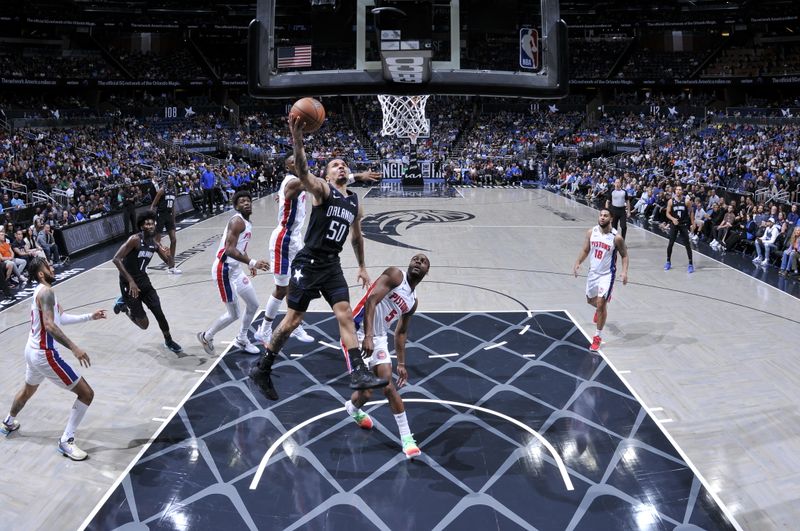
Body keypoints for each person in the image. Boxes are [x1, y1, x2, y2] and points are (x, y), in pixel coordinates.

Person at [250, 115, 386, 399]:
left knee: (345, 314)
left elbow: (357, 236)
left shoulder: (354, 201)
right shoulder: (322, 191)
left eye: (344, 164)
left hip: (332, 264)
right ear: (326, 175)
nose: (341, 166)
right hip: (308, 263)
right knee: (293, 320)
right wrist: (297, 137)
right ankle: (262, 368)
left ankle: (358, 371)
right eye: (335, 164)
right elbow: (301, 170)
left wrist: (362, 266)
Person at [254, 155, 381, 346]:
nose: (297, 163)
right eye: (293, 162)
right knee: (282, 288)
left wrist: (352, 176)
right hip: (284, 238)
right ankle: (264, 330)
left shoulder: (313, 184)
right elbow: (319, 181)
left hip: (296, 239)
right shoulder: (292, 181)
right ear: (289, 167)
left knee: (293, 287)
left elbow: (330, 183)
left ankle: (294, 324)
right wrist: (357, 176)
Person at [1, 257, 106, 461]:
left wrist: (89, 316)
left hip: (31, 351)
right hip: (44, 354)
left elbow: (60, 319)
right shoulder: (47, 292)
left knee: (27, 390)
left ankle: (8, 421)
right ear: (41, 273)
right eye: (48, 266)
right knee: (86, 393)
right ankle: (66, 441)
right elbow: (50, 325)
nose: (52, 268)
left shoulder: (42, 291)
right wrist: (74, 348)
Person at [344, 254, 430, 459]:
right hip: (356, 333)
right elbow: (371, 301)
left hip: (379, 337)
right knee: (365, 394)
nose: (418, 261)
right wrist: (368, 335)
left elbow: (400, 332)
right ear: (409, 264)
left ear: (427, 271)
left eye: (423, 261)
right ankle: (353, 409)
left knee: (387, 385)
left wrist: (401, 362)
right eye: (415, 259)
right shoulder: (395, 275)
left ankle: (407, 439)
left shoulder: (412, 301)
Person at [197, 190, 269, 356]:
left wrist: (247, 261)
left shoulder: (247, 223)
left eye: (248, 200)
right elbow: (229, 250)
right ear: (236, 206)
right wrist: (252, 262)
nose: (246, 203)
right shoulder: (237, 221)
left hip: (235, 269)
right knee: (234, 314)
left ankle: (242, 338)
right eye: (242, 201)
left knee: (253, 304)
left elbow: (239, 247)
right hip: (224, 271)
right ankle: (207, 336)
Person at [112, 211, 183, 353]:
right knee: (144, 325)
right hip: (129, 283)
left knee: (159, 312)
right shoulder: (135, 240)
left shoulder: (155, 244)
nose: (150, 226)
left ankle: (168, 340)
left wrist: (170, 256)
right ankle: (124, 307)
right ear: (141, 226)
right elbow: (116, 259)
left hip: (144, 282)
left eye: (152, 223)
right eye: (147, 223)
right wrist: (131, 281)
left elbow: (170, 265)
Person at [573, 208, 629, 352]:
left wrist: (624, 272)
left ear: (611, 219)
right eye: (601, 215)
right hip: (593, 273)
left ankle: (597, 337)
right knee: (591, 301)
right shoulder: (591, 232)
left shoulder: (617, 238)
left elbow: (624, 255)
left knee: (600, 305)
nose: (602, 217)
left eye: (606, 216)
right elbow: (586, 250)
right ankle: (600, 308)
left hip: (607, 275)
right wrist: (578, 262)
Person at [151, 175, 181, 274]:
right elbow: (153, 205)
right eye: (168, 178)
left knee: (174, 239)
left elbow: (172, 206)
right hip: (160, 216)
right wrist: (150, 218)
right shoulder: (162, 190)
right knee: (157, 242)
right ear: (166, 180)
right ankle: (168, 262)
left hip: (169, 216)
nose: (170, 180)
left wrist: (173, 219)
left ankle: (171, 264)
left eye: (171, 178)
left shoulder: (174, 191)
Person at [664, 185, 694, 273]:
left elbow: (691, 211)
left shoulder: (687, 201)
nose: (678, 191)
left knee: (687, 244)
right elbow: (667, 213)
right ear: (674, 191)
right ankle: (668, 262)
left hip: (683, 224)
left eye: (680, 190)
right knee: (670, 243)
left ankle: (690, 264)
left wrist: (693, 222)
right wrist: (673, 219)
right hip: (674, 224)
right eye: (676, 189)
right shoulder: (670, 201)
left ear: (682, 191)